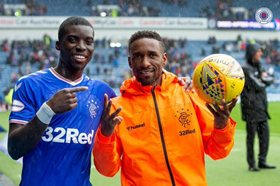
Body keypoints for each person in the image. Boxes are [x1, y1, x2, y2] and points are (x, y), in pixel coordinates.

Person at [93, 30, 238, 186]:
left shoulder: (188, 94)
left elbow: (218, 152)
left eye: (152, 55)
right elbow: (107, 170)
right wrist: (105, 136)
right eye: (138, 56)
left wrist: (222, 127)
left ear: (164, 59)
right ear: (129, 61)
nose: (145, 63)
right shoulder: (117, 108)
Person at [7, 16, 117, 186]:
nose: (81, 47)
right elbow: (14, 150)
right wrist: (48, 110)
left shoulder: (102, 92)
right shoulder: (30, 84)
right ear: (58, 45)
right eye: (72, 40)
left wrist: (106, 133)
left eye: (89, 42)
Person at [240, 43, 276, 171]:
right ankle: (251, 164)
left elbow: (270, 79)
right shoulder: (245, 68)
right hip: (250, 108)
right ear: (252, 53)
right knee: (251, 137)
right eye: (258, 52)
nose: (261, 54)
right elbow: (258, 85)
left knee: (265, 136)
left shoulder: (259, 66)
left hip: (261, 107)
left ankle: (262, 161)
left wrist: (261, 79)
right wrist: (262, 79)